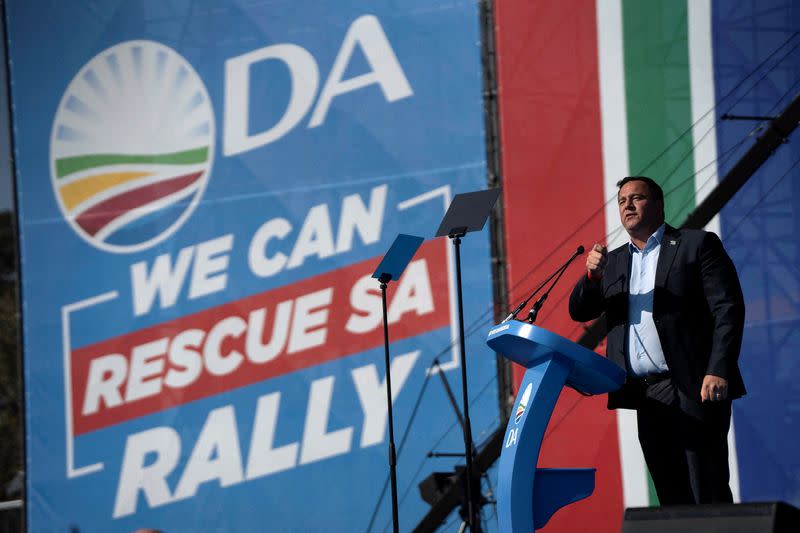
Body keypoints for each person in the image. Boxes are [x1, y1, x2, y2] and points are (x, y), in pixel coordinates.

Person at [569, 176, 745, 505]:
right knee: (671, 497)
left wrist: (718, 368)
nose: (628, 206)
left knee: (705, 490)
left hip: (694, 386)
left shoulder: (696, 245)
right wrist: (592, 277)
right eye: (622, 201)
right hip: (645, 394)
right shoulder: (614, 261)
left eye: (637, 198)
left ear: (659, 205)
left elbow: (728, 309)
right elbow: (580, 311)